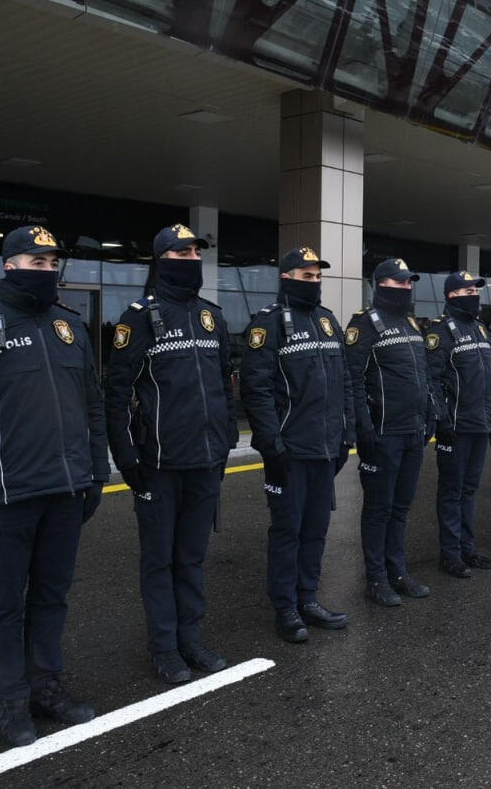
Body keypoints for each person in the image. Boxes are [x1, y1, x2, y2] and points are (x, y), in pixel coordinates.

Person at [0, 225, 107, 747]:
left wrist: (96, 474)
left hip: (64, 491)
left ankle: (46, 687)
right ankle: (12, 702)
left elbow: (93, 407)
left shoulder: (70, 327)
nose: (47, 270)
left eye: (53, 262)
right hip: (6, 499)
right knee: (7, 602)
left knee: (53, 596)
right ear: (9, 265)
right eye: (36, 262)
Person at [105, 224, 236, 684]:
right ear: (162, 258)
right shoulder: (138, 317)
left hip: (205, 462)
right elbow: (117, 393)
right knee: (159, 561)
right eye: (182, 251)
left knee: (192, 558)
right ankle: (164, 648)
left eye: (196, 250)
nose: (192, 257)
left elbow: (224, 385)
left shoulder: (211, 316)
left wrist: (224, 445)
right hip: (157, 466)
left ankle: (190, 638)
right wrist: (127, 461)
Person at [240, 247, 354, 643]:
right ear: (286, 278)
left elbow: (346, 383)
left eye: (317, 276)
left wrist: (347, 434)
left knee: (316, 530)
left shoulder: (327, 321)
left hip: (326, 448)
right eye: (306, 276)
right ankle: (285, 607)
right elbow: (255, 391)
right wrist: (273, 445)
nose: (314, 282)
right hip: (291, 451)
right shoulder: (266, 325)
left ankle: (308, 598)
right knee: (287, 531)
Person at [346, 258, 436, 607]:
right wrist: (364, 428)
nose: (406, 289)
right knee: (379, 510)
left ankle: (398, 572)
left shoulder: (411, 322)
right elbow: (352, 379)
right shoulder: (364, 324)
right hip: (383, 434)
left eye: (409, 283)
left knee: (401, 508)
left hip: (413, 431)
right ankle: (376, 579)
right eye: (399, 283)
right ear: (381, 284)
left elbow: (424, 374)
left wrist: (430, 414)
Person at [426, 271, 491, 578]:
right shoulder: (440, 332)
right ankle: (451, 554)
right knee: (452, 492)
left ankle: (468, 549)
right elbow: (432, 381)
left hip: (480, 423)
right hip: (456, 428)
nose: (475, 295)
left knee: (469, 490)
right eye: (469, 290)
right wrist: (442, 421)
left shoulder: (481, 329)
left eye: (476, 290)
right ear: (453, 295)